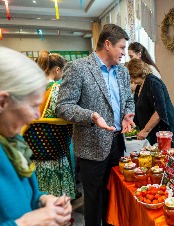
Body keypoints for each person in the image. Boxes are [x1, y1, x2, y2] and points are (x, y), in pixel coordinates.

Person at [55, 24, 135, 226]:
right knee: (93, 201)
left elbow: (128, 100)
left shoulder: (123, 72)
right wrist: (91, 115)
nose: (125, 53)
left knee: (114, 196)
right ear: (107, 44)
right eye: (122, 47)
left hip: (117, 144)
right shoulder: (78, 68)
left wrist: (127, 114)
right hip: (91, 147)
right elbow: (63, 107)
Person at [0, 46, 72, 225]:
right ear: (3, 102)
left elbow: (26, 193)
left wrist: (44, 200)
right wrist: (26, 222)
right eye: (33, 106)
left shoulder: (12, 141)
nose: (37, 116)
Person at [22, 51, 76, 200]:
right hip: (54, 149)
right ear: (57, 69)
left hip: (32, 147)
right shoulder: (57, 90)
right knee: (55, 192)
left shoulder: (29, 89)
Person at [127, 58, 174, 146]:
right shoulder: (139, 86)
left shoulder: (153, 82)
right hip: (153, 130)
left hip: (166, 129)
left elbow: (159, 111)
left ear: (134, 73)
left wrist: (145, 130)